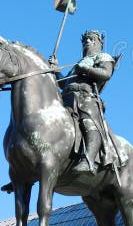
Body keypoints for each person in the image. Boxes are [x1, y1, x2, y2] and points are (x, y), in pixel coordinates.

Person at [49, 30, 127, 174]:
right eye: (85, 40)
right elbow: (63, 83)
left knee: (88, 122)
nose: (87, 42)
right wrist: (55, 70)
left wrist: (86, 68)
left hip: (86, 97)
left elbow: (106, 74)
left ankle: (89, 159)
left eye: (91, 39)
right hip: (66, 97)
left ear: (99, 42)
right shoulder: (78, 63)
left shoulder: (103, 56)